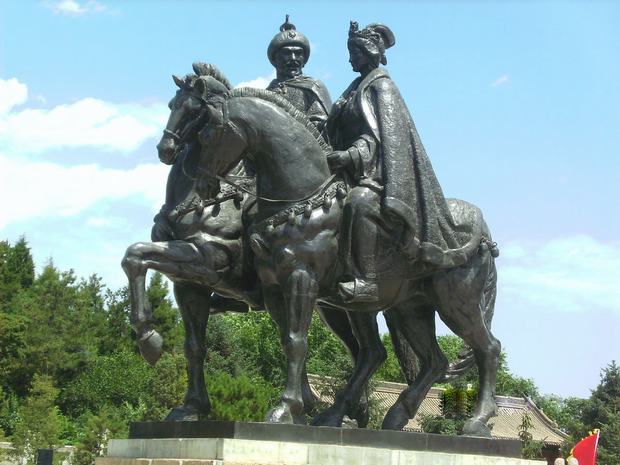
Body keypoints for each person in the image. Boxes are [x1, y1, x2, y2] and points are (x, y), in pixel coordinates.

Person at [327, 22, 477, 302]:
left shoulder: (382, 87)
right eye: (350, 52)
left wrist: (350, 155)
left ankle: (366, 281)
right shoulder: (352, 89)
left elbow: (383, 139)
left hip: (376, 173)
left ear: (369, 51)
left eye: (355, 52)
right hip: (346, 170)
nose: (350, 58)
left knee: (358, 203)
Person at [266, 15, 332, 137]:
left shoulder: (313, 87)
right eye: (287, 53)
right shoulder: (267, 93)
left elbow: (322, 125)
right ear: (275, 59)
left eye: (298, 53)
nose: (293, 58)